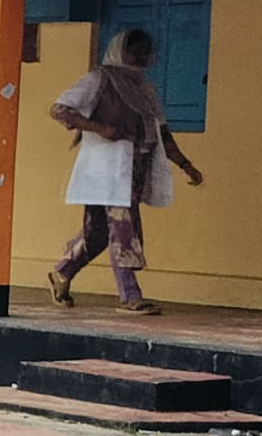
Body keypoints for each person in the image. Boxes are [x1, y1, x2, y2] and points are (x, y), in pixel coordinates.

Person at [49, 27, 202, 315]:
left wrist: (185, 164)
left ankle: (62, 272)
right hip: (106, 170)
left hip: (133, 171)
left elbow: (161, 132)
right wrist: (99, 128)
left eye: (146, 51)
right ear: (120, 50)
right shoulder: (99, 79)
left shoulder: (144, 88)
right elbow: (59, 109)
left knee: (97, 233)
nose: (142, 56)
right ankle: (130, 295)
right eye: (136, 50)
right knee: (123, 228)